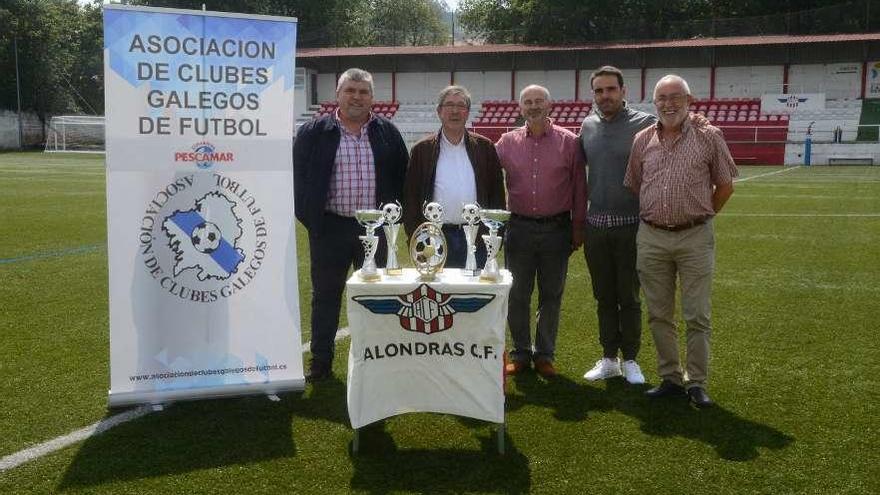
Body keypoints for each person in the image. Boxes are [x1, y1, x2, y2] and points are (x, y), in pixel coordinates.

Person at [624, 74, 737, 407]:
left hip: (694, 237)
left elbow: (726, 184)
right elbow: (635, 183)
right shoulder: (642, 139)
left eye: (676, 97)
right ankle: (671, 378)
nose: (668, 103)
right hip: (652, 237)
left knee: (696, 315)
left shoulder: (709, 137)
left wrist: (700, 217)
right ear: (654, 102)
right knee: (658, 314)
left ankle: (697, 382)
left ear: (690, 100)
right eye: (662, 97)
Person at [294, 68, 408, 381]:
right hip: (330, 229)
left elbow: (402, 178)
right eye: (351, 91)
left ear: (372, 97)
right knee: (326, 297)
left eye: (363, 92)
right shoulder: (313, 132)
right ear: (338, 93)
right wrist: (315, 222)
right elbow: (298, 183)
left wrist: (391, 221)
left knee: (379, 298)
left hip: (376, 233)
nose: (357, 97)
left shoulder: (387, 132)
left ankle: (379, 359)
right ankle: (321, 362)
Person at [496, 84, 587, 379]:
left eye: (539, 101)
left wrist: (577, 229)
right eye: (528, 102)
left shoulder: (570, 142)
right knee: (518, 295)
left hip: (556, 230)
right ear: (520, 108)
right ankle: (521, 353)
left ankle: (545, 354)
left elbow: (579, 189)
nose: (533, 106)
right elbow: (484, 170)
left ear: (550, 105)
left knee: (551, 294)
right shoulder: (506, 143)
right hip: (518, 228)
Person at [580, 66, 657, 385]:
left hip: (631, 226)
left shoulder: (646, 124)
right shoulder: (587, 126)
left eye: (611, 89)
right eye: (599, 90)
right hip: (596, 227)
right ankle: (609, 358)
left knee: (629, 296)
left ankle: (632, 360)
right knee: (603, 296)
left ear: (624, 91)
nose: (605, 96)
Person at [403, 85, 505, 267]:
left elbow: (497, 195)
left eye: (461, 105)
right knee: (439, 294)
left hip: (477, 238)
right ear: (439, 111)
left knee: (474, 294)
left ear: (467, 112)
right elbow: (411, 198)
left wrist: (496, 235)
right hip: (435, 238)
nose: (455, 111)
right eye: (449, 105)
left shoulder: (485, 148)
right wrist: (416, 236)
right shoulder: (421, 150)